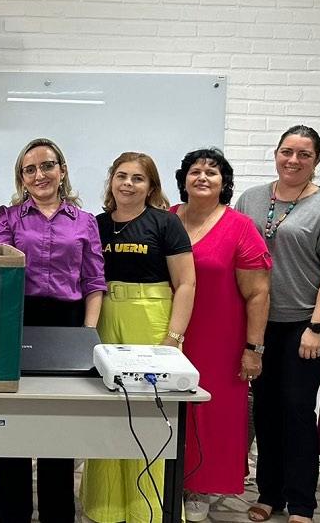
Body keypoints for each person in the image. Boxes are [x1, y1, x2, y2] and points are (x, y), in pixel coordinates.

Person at [234, 126, 320, 523]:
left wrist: (317, 327)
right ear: (276, 154)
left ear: (316, 160)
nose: (294, 160)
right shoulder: (251, 198)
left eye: (304, 154)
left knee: (298, 408)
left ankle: (302, 501)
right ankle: (270, 493)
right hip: (260, 323)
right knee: (265, 407)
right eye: (287, 151)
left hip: (305, 324)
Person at [0, 138, 107, 523]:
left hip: (68, 323)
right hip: (18, 320)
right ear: (21, 178)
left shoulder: (85, 221)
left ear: (62, 170)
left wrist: (87, 335)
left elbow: (94, 282)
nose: (39, 174)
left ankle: (58, 514)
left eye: (47, 166)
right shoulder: (8, 218)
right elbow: (0, 274)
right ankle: (13, 514)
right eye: (30, 169)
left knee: (60, 424)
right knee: (12, 424)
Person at [79, 152, 196, 523]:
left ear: (151, 186)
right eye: (121, 175)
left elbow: (186, 283)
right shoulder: (96, 224)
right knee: (106, 410)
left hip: (151, 318)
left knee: (148, 412)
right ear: (111, 180)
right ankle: (106, 508)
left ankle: (147, 511)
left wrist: (173, 337)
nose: (127, 183)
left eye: (137, 178)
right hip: (104, 316)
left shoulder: (166, 223)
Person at [169, 149, 271, 522]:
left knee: (211, 414)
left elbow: (259, 293)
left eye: (212, 172)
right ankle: (169, 479)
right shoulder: (166, 219)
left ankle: (200, 486)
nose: (202, 177)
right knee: (168, 408)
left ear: (224, 183)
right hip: (167, 333)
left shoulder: (240, 226)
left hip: (220, 339)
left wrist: (253, 349)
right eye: (195, 171)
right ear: (183, 180)